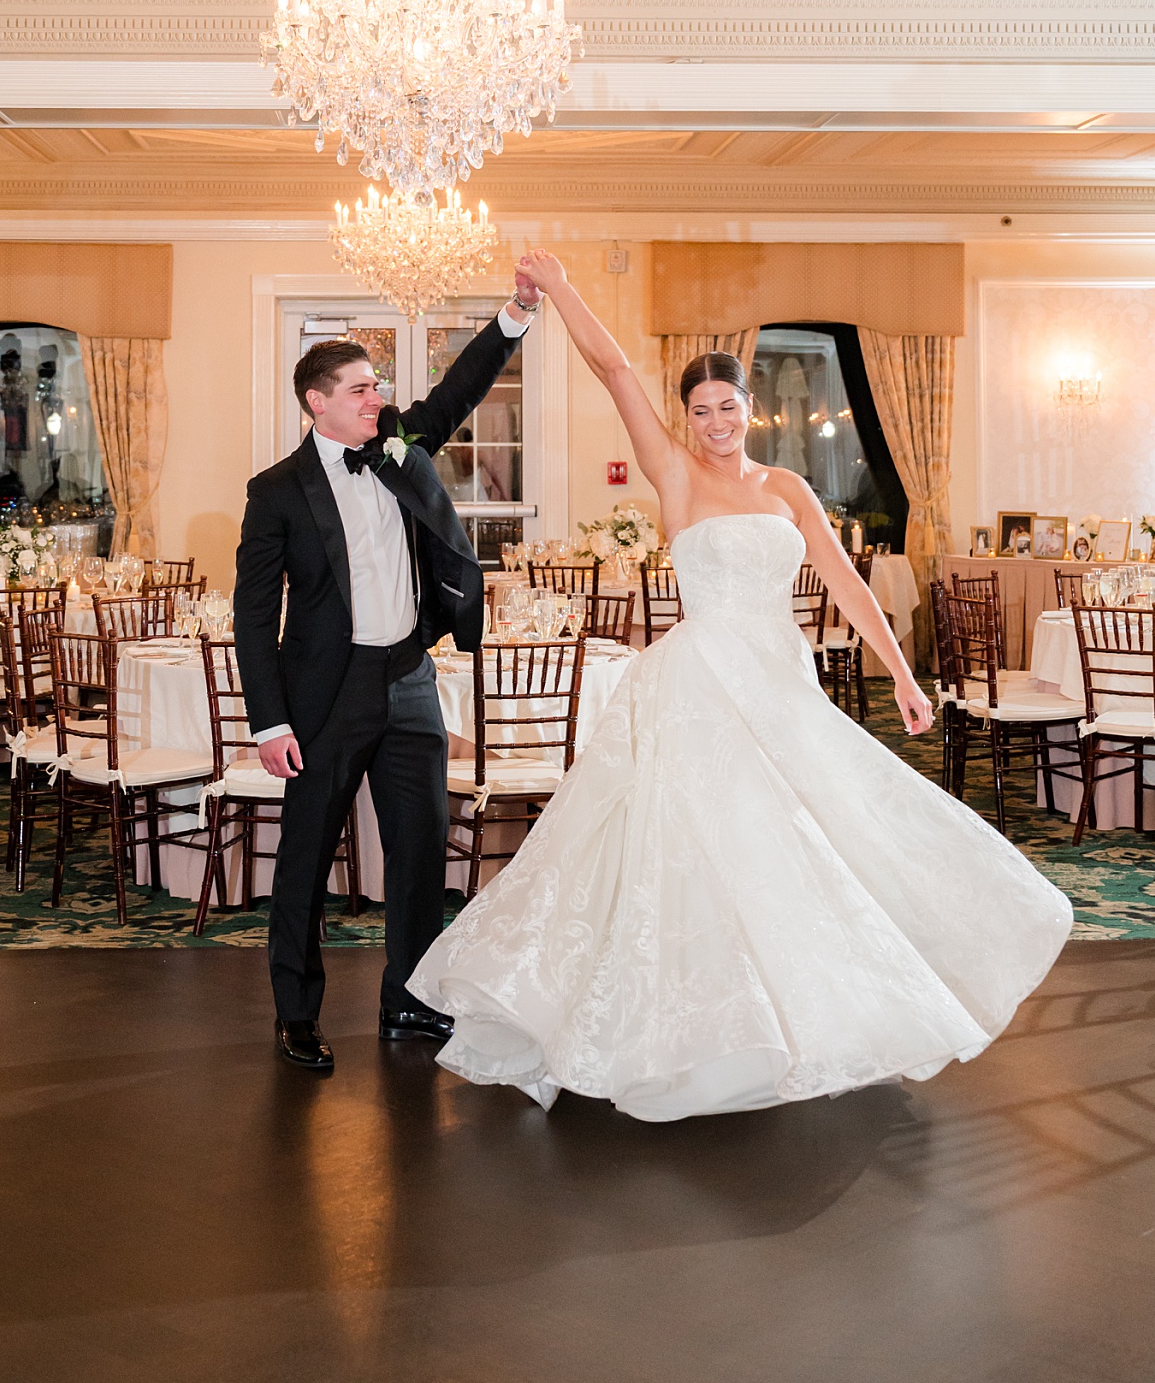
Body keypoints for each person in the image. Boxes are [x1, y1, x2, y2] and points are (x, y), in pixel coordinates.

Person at [409, 250, 1072, 1122]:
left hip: (781, 682)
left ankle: (800, 1019)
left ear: (751, 409)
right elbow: (612, 369)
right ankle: (688, 1034)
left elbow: (846, 583)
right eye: (699, 410)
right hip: (701, 685)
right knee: (704, 851)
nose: (715, 422)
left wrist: (904, 676)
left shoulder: (788, 487)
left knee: (814, 841)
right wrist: (560, 290)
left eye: (728, 407)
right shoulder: (675, 475)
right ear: (685, 417)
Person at [233, 267, 542, 1074]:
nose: (378, 399)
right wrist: (269, 721)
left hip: (409, 681)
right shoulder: (275, 494)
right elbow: (253, 616)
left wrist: (514, 314)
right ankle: (295, 1014)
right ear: (318, 401)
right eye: (362, 389)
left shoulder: (402, 446)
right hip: (324, 697)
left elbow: (461, 389)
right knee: (304, 858)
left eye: (377, 388)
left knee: (420, 847)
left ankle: (409, 998)